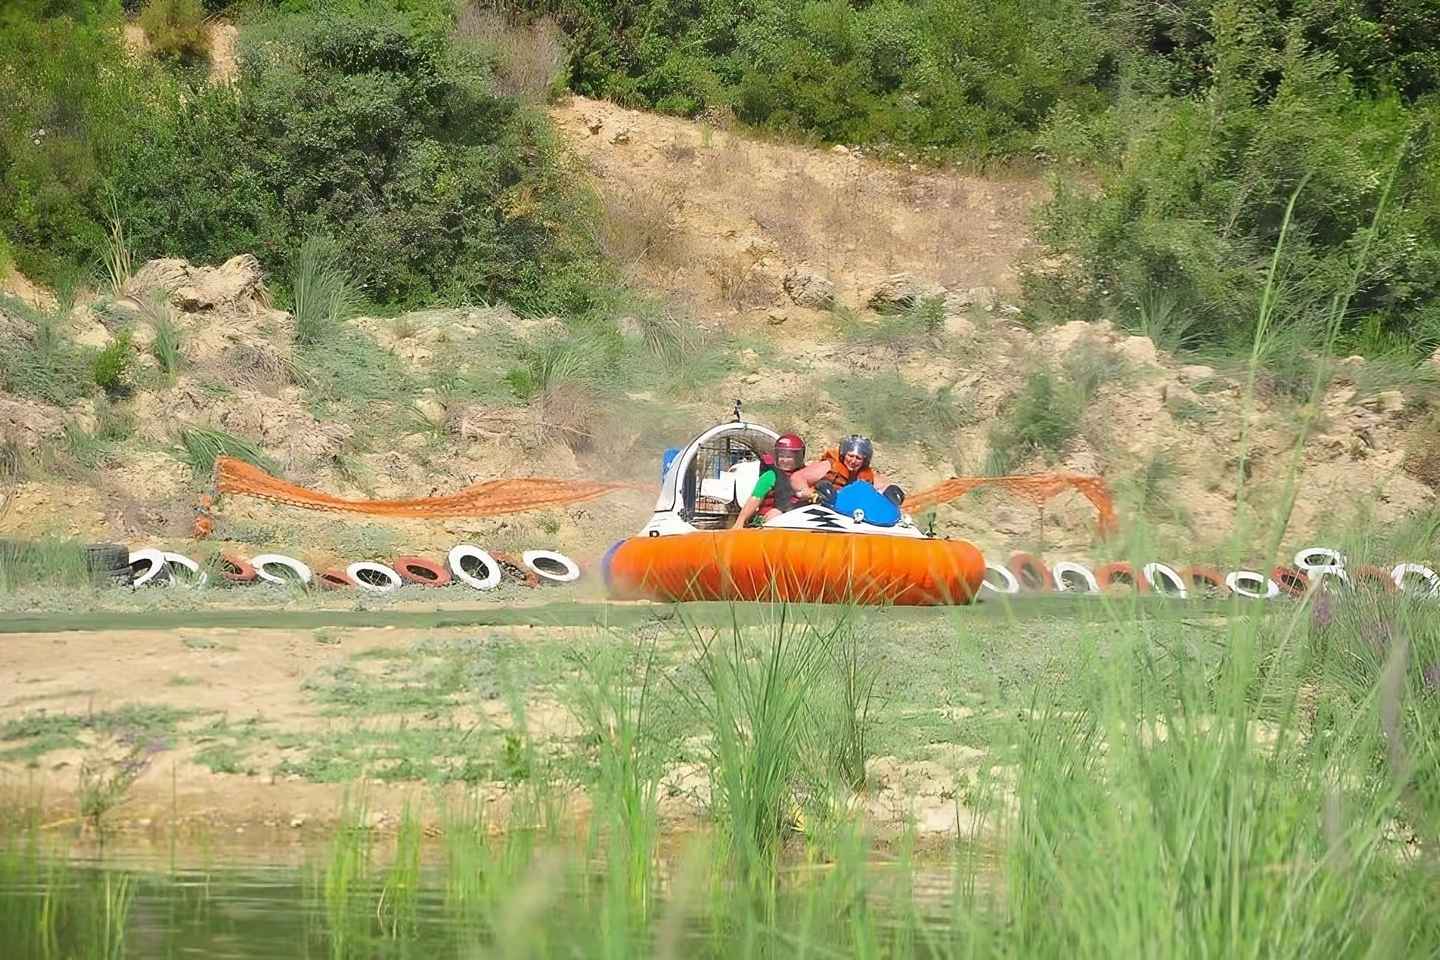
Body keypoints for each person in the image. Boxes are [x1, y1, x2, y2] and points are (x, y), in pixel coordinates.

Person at [791, 434, 906, 507]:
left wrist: (892, 494)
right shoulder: (828, 466)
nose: (853, 461)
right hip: (817, 508)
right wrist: (811, 494)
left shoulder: (867, 474)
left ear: (864, 461)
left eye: (858, 458)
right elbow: (797, 478)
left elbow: (883, 486)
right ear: (843, 455)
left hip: (846, 515)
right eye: (850, 456)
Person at [733, 433, 809, 528]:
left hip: (800, 520)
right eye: (781, 456)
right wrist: (740, 522)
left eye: (789, 457)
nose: (784, 460)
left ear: (798, 457)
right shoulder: (770, 476)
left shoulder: (808, 474)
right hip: (769, 521)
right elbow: (755, 498)